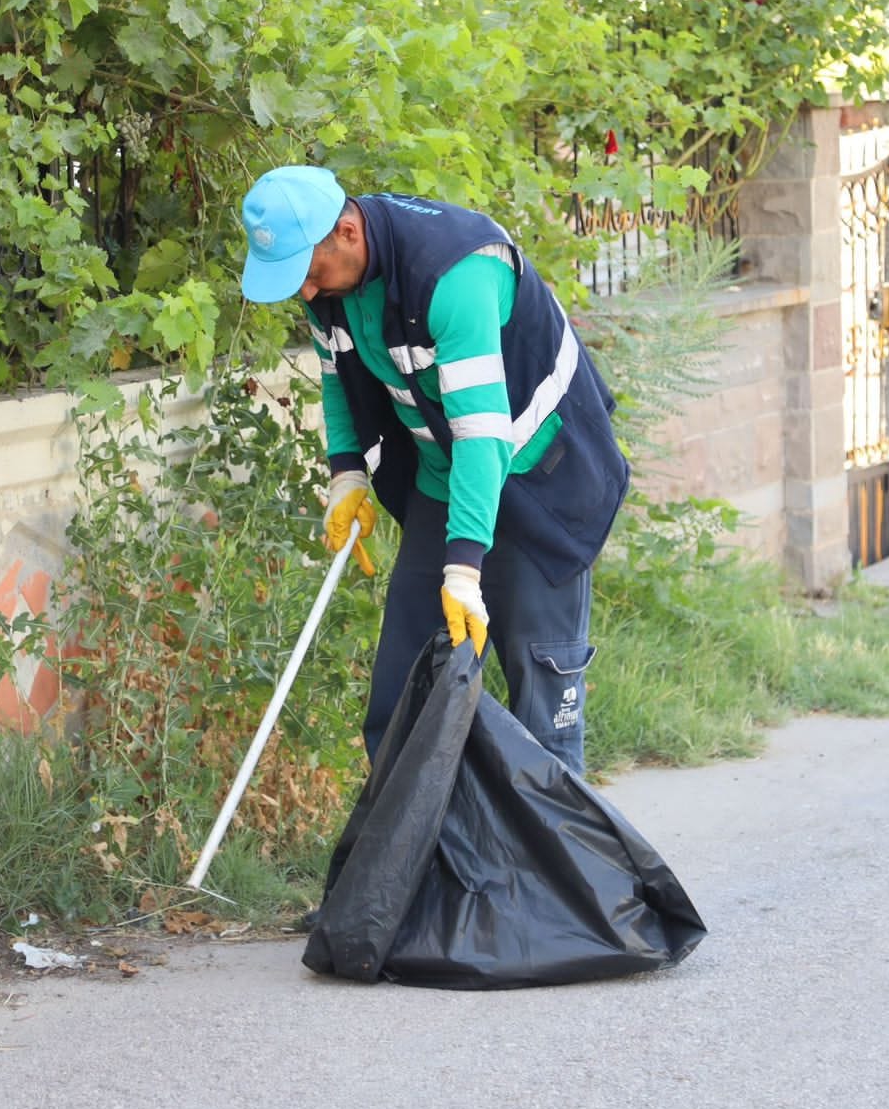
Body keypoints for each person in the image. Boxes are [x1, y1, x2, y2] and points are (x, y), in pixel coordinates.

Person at [237, 165, 628, 774]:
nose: (307, 293)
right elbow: (340, 382)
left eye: (310, 274)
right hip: (446, 479)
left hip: (543, 485)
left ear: (345, 232)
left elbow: (482, 432)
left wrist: (465, 569)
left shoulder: (455, 274)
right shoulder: (331, 287)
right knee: (402, 700)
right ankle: (422, 868)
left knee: (542, 711)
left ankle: (554, 867)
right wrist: (347, 476)